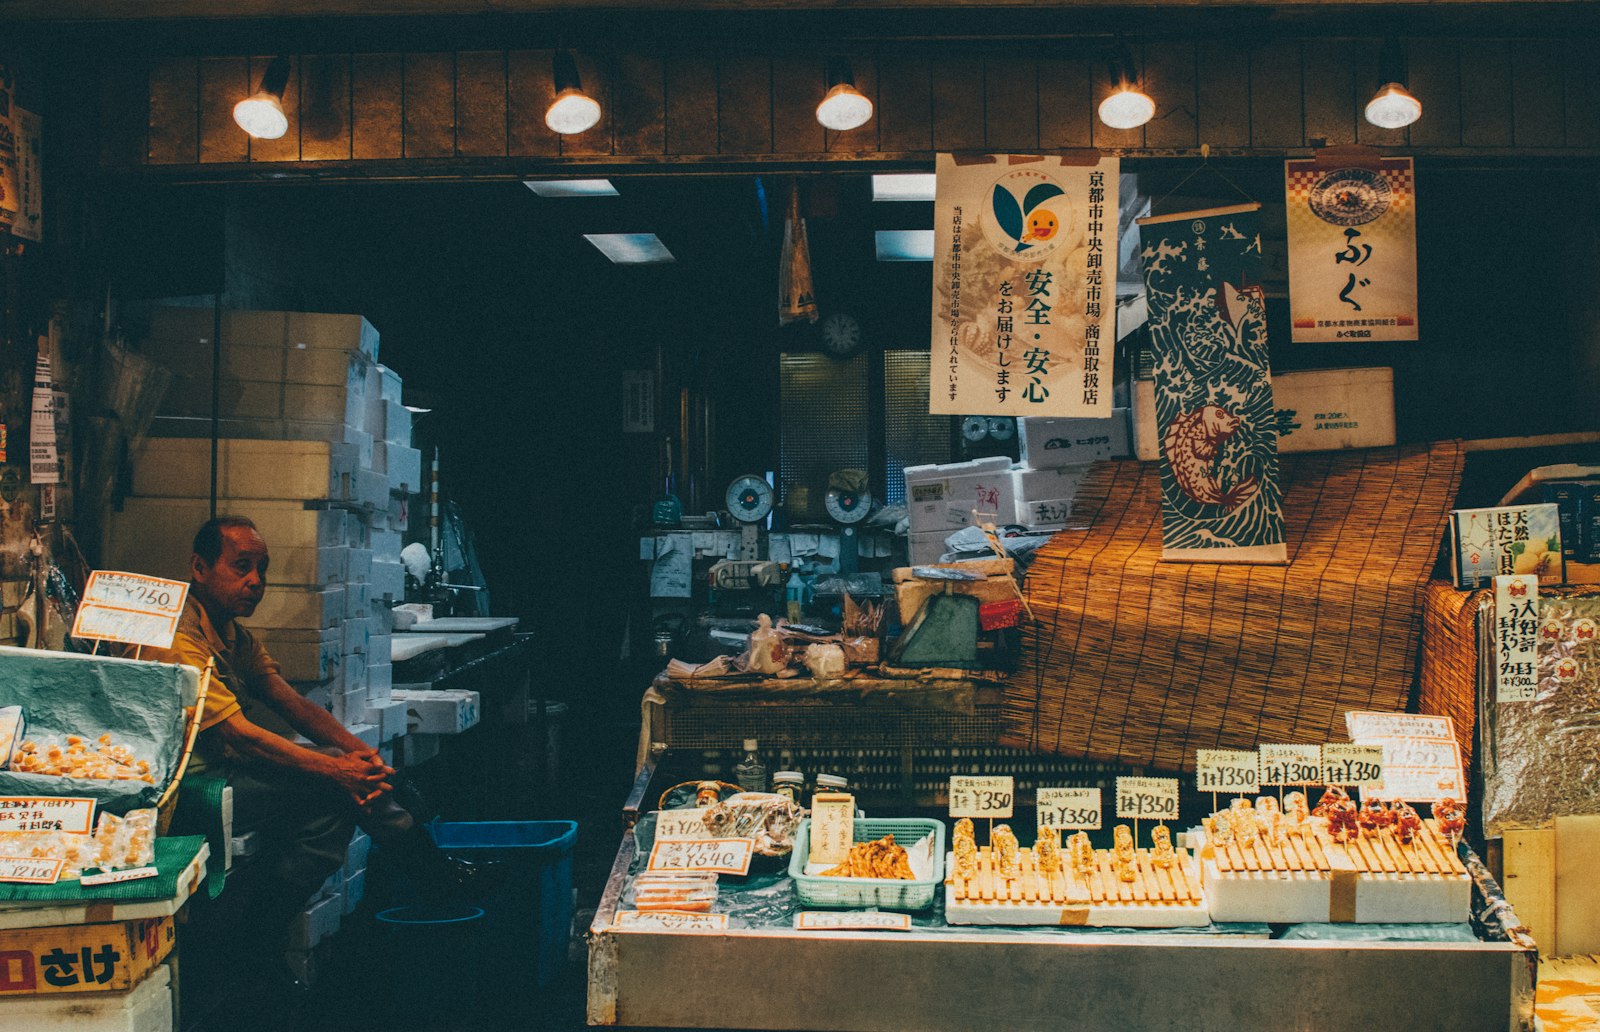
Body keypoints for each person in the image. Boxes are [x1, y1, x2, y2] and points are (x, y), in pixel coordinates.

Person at [143, 515, 481, 996]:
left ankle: (426, 869)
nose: (255, 582)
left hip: (225, 767)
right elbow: (241, 736)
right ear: (199, 567)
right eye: (241, 567)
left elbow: (294, 705)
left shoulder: (232, 634)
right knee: (334, 790)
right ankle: (262, 938)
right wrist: (338, 770)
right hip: (188, 786)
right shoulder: (177, 637)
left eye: (262, 569)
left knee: (343, 771)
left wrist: (366, 759)